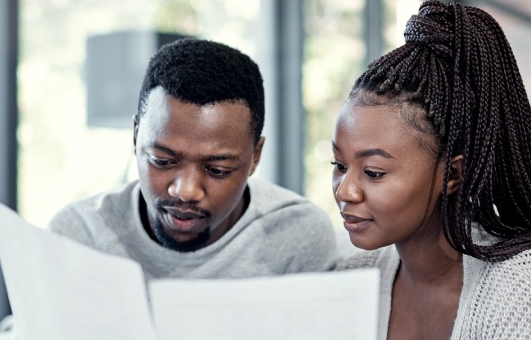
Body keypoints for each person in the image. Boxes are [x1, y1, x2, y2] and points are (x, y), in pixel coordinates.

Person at [334, 0, 531, 339]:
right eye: (339, 165)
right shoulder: (355, 278)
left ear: (453, 174)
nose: (344, 190)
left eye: (373, 172)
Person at [46, 38, 337, 279]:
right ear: (136, 137)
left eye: (217, 169)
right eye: (162, 161)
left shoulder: (297, 236)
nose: (185, 190)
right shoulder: (80, 235)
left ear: (255, 157)